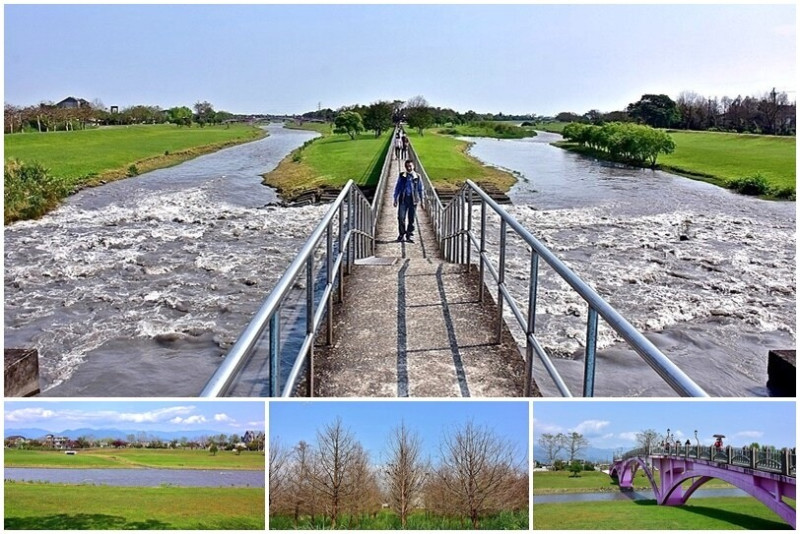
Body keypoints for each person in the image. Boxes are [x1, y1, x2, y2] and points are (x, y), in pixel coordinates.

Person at [393, 159, 424, 243]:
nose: (409, 168)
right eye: (407, 166)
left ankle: (409, 234)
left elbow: (420, 189)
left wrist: (422, 201)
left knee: (411, 218)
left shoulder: (417, 176)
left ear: (413, 166)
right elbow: (398, 187)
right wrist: (395, 198)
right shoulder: (402, 175)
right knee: (401, 217)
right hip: (403, 199)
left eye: (410, 166)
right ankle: (401, 234)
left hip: (413, 200)